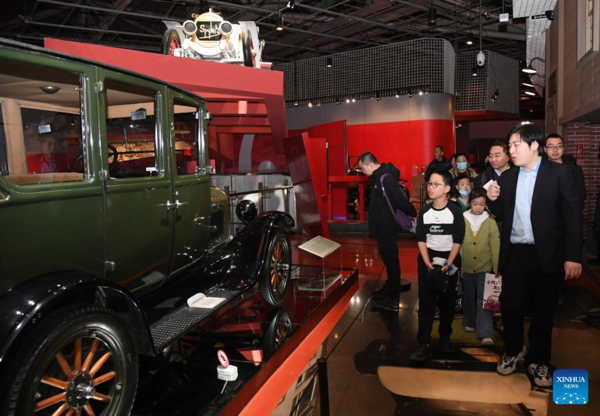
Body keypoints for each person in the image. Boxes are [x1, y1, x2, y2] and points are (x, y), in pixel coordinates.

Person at [487, 124, 582, 387]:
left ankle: (539, 360)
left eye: (516, 144)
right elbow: (500, 212)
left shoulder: (560, 174)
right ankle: (514, 349)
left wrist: (573, 256)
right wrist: (493, 198)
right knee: (510, 306)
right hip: (516, 253)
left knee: (543, 310)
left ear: (534, 145)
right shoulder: (508, 177)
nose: (511, 150)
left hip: (547, 254)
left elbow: (573, 218)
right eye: (510, 146)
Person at [410, 170, 465, 361]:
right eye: (430, 184)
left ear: (447, 189)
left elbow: (458, 240)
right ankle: (424, 342)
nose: (431, 188)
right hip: (428, 259)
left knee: (447, 301)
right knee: (426, 303)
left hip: (450, 259)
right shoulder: (424, 210)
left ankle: (445, 337)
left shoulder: (455, 211)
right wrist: (427, 263)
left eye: (435, 184)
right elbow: (421, 238)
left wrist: (448, 265)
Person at [357, 152, 417, 309]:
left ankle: (391, 296)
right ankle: (390, 287)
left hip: (387, 227)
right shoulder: (378, 178)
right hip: (382, 227)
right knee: (388, 259)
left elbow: (400, 201)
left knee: (391, 261)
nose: (363, 172)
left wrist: (415, 214)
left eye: (363, 168)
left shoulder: (386, 178)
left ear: (370, 164)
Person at [460, 187, 500, 346]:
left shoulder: (490, 220)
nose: (478, 207)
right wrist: (461, 264)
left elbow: (496, 244)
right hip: (467, 265)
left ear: (486, 205)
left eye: (482, 204)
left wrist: (496, 266)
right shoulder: (462, 218)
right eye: (475, 204)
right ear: (470, 203)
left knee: (484, 299)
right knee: (468, 295)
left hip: (485, 265)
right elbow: (459, 243)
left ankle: (486, 333)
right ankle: (469, 321)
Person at [544, 133, 587, 204]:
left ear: (563, 148)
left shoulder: (575, 170)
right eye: (551, 147)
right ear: (545, 149)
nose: (555, 150)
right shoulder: (539, 169)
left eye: (559, 146)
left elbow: (581, 195)